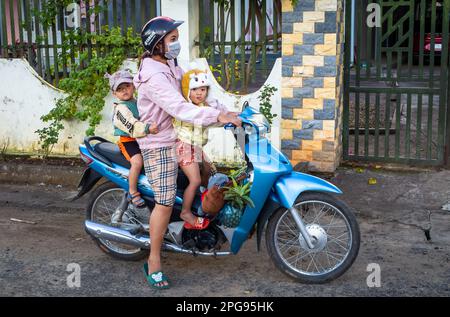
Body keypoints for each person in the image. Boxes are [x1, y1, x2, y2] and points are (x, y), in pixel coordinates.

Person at [134, 16, 241, 289]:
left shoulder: (171, 64)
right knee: (166, 200)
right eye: (172, 39)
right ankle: (155, 261)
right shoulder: (152, 75)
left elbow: (196, 93)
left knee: (213, 177)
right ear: (157, 44)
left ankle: (202, 225)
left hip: (182, 137)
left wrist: (230, 110)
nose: (176, 43)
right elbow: (180, 109)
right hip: (159, 144)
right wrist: (218, 115)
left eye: (176, 38)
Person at [174, 69, 230, 230]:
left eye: (203, 89)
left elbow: (217, 112)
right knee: (196, 180)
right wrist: (220, 117)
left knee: (209, 172)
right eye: (195, 89)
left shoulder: (204, 105)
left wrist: (233, 116)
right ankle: (185, 212)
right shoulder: (187, 108)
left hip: (195, 147)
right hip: (183, 146)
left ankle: (203, 205)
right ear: (187, 91)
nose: (199, 93)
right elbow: (204, 115)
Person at [105, 70, 158, 223]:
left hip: (141, 140)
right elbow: (132, 126)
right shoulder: (120, 109)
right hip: (128, 141)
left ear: (133, 86)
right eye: (120, 89)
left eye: (126, 86)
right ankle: (133, 192)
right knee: (137, 162)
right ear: (115, 94)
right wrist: (147, 128)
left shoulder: (137, 102)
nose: (124, 91)